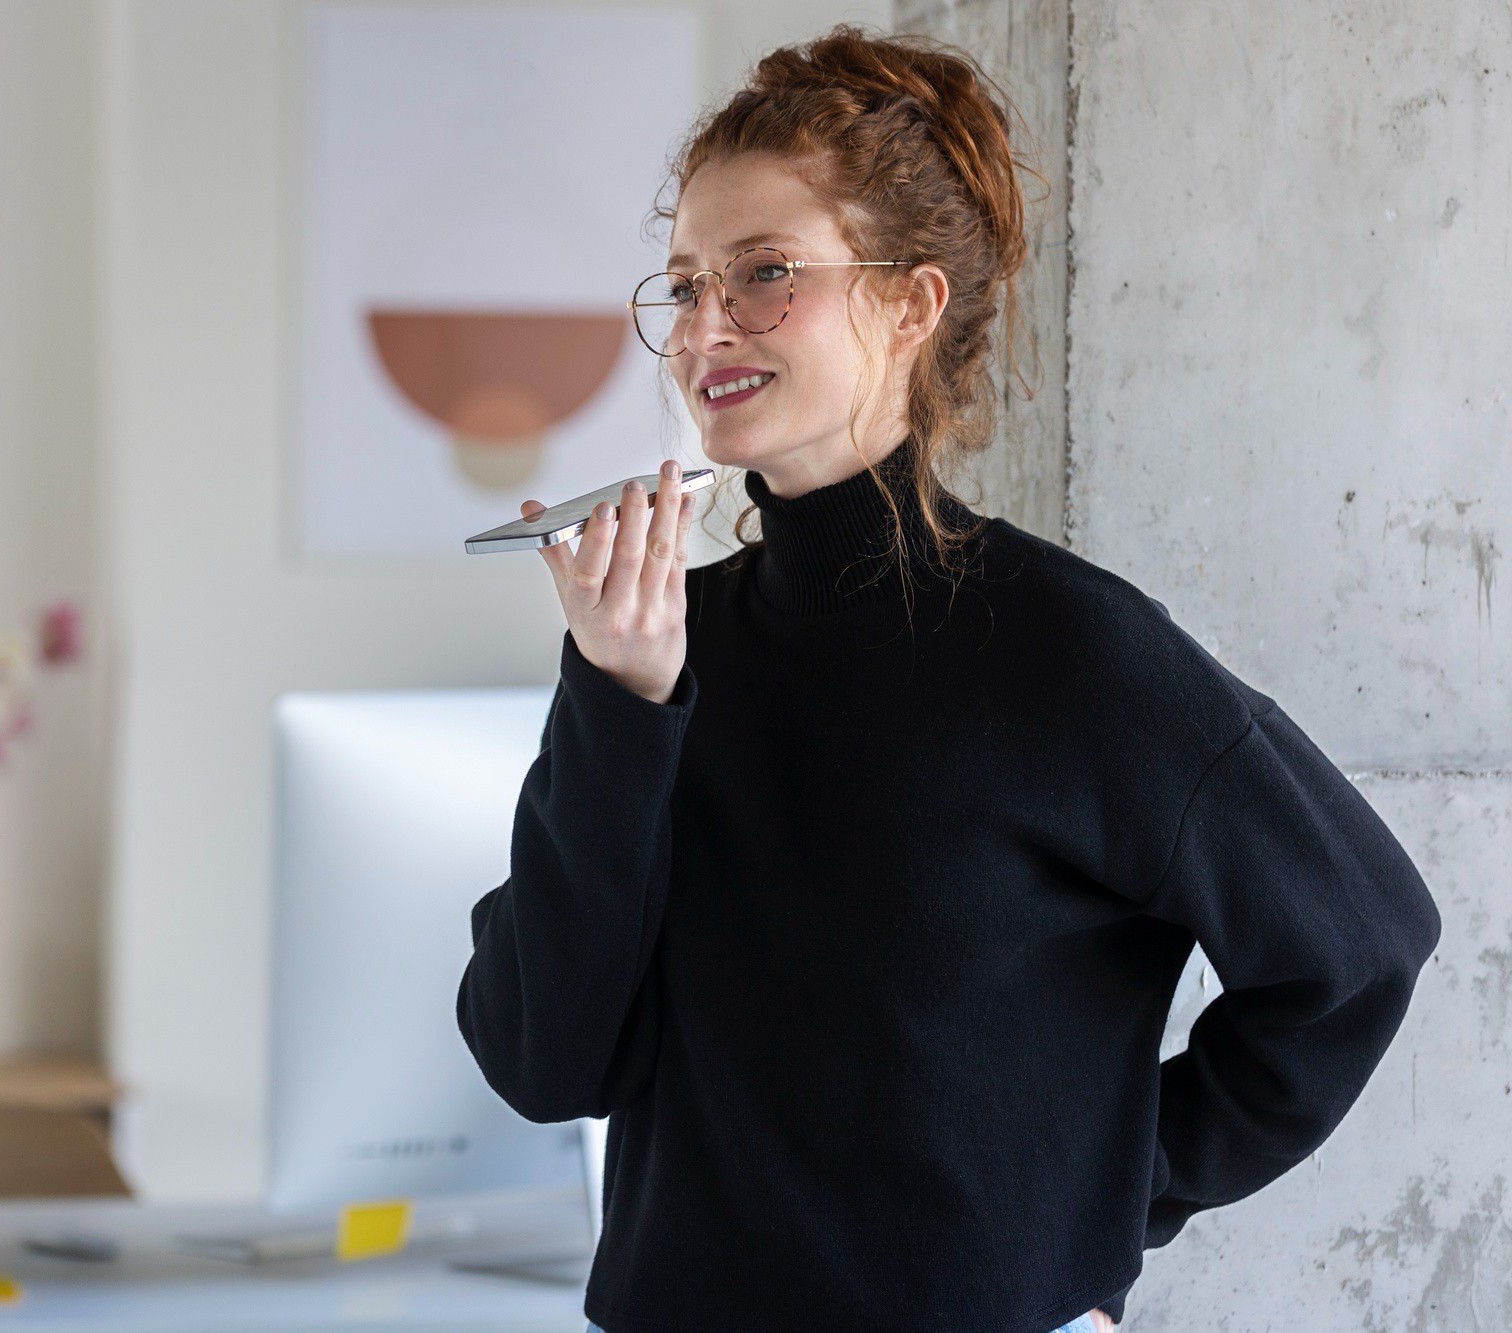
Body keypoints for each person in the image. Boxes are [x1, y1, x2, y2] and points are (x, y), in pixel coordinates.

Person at [454, 23, 1443, 1333]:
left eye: (764, 274)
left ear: (910, 305)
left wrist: (1102, 1191)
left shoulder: (1071, 651)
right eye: (684, 283)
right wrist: (616, 699)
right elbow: (544, 1059)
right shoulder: (663, 649)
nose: (705, 327)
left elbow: (1361, 945)